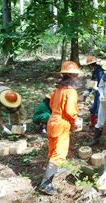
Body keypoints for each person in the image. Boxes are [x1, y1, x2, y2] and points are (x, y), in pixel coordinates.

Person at [39, 61, 81, 195]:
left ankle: (53, 171)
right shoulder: (70, 92)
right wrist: (75, 121)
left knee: (52, 150)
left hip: (52, 121)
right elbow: (70, 111)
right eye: (75, 74)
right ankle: (45, 184)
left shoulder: (57, 89)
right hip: (61, 124)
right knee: (59, 153)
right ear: (72, 75)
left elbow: (51, 104)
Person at [86, 55, 105, 129]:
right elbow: (92, 81)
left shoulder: (99, 71)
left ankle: (96, 127)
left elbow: (101, 82)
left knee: (97, 109)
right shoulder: (94, 70)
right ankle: (93, 124)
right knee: (93, 109)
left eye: (89, 65)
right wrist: (88, 91)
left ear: (91, 64)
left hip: (101, 92)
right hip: (97, 91)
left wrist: (96, 88)